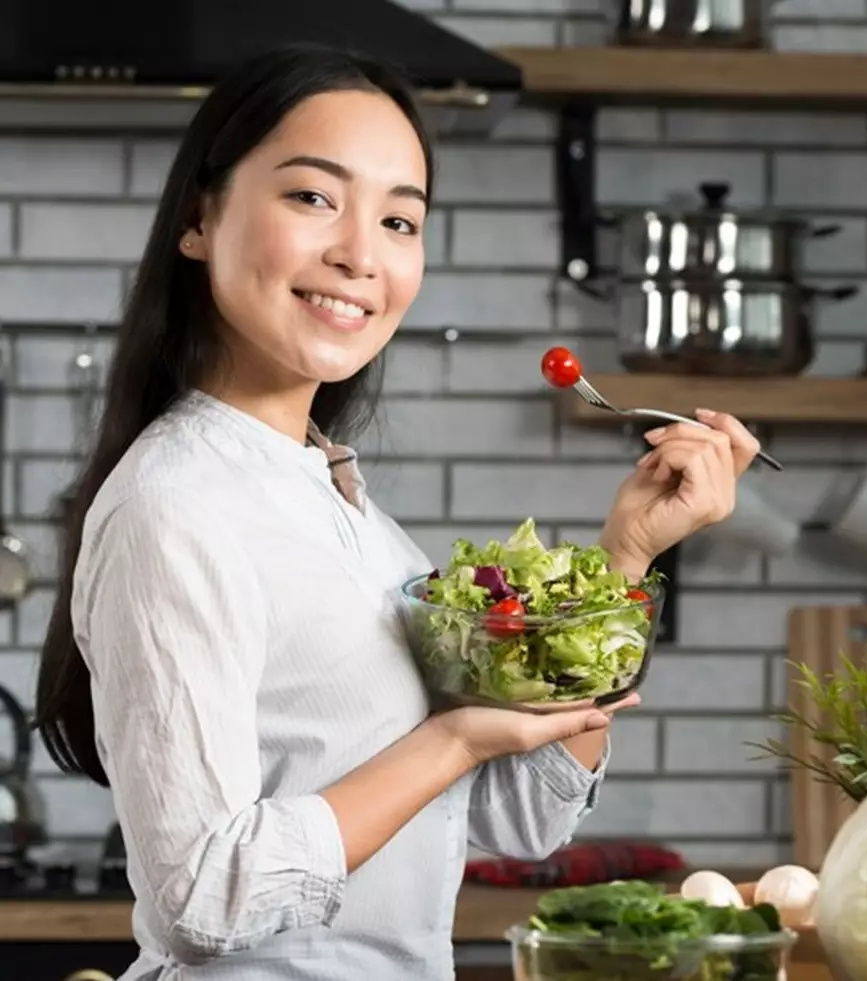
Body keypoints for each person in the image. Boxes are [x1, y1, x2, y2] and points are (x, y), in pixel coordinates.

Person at [33, 44, 762, 981]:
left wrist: (624, 560)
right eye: (311, 198)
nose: (359, 253)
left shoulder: (340, 504)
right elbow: (198, 900)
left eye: (399, 219)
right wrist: (451, 738)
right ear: (198, 217)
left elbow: (521, 813)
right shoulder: (177, 505)